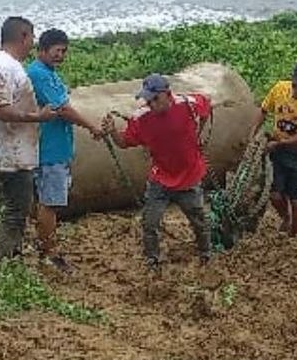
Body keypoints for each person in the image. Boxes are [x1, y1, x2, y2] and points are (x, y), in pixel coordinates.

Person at [100, 74, 212, 270]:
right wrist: (112, 131)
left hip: (189, 175)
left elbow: (207, 106)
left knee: (198, 219)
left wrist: (199, 133)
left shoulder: (188, 103)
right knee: (149, 222)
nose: (150, 104)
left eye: (154, 99)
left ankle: (206, 253)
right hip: (161, 177)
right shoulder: (141, 117)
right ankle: (152, 260)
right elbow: (124, 142)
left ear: (167, 94)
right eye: (148, 100)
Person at [27, 28, 103, 270]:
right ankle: (49, 253)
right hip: (50, 150)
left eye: (64, 51)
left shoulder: (47, 72)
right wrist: (92, 126)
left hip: (55, 147)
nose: (61, 55)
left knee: (48, 202)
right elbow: (64, 109)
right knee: (49, 203)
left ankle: (44, 244)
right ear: (42, 50)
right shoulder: (39, 74)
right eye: (57, 51)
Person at [0, 16, 56, 261]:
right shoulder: (2, 67)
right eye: (32, 37)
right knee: (16, 212)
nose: (33, 43)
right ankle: (5, 261)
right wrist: (36, 117)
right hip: (11, 155)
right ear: (23, 36)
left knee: (18, 209)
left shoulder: (9, 65)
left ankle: (10, 255)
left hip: (15, 152)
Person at [255, 61, 297, 237]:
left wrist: (279, 144)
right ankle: (286, 217)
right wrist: (252, 133)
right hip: (279, 150)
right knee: (274, 195)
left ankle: (296, 235)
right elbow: (263, 110)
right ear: (293, 79)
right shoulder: (279, 89)